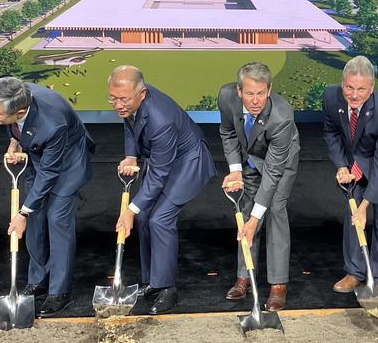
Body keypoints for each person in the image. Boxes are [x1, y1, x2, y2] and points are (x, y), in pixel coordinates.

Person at [109, 65, 216, 315]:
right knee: (145, 217)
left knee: (159, 219)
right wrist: (130, 155)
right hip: (164, 160)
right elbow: (130, 123)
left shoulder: (161, 119)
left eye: (123, 99)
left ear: (142, 94)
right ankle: (152, 282)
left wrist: (130, 210)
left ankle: (167, 289)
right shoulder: (130, 99)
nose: (117, 105)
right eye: (112, 99)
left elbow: (158, 175)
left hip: (188, 162)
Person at [0, 77, 95, 316]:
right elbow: (17, 125)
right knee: (35, 217)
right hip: (39, 155)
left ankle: (60, 292)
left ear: (21, 110)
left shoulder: (52, 123)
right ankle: (39, 281)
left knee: (56, 218)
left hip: (69, 162)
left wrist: (22, 212)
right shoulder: (15, 93)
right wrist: (15, 141)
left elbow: (49, 173)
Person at [218, 62, 300, 311]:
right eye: (250, 93)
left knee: (274, 209)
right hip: (248, 157)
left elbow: (273, 173)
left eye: (261, 93)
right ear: (239, 91)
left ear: (270, 89)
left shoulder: (282, 117)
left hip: (279, 163)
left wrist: (256, 219)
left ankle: (278, 284)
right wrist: (235, 171)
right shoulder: (225, 96)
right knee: (245, 210)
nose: (256, 100)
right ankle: (245, 277)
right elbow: (228, 132)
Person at [323, 55, 378, 294]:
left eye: (361, 89)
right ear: (342, 83)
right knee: (352, 214)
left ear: (371, 88)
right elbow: (331, 133)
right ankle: (355, 272)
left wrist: (365, 204)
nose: (354, 95)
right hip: (352, 161)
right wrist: (340, 166)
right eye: (349, 87)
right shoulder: (330, 96)